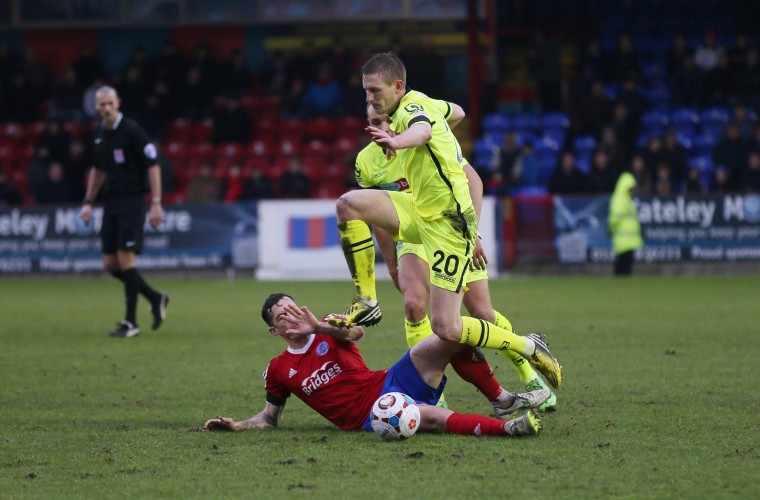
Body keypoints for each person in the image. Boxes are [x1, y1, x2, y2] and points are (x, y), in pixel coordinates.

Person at [327, 53, 562, 389]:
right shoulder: (419, 107)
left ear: (398, 87)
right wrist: (440, 130)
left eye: (376, 91)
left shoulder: (410, 110)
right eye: (366, 92)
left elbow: (421, 130)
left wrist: (398, 140)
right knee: (348, 205)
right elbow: (457, 112)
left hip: (449, 224)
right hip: (416, 209)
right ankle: (366, 299)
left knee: (448, 327)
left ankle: (528, 346)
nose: (370, 99)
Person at [356, 104, 557, 410]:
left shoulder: (428, 135)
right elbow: (377, 217)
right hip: (413, 237)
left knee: (482, 313)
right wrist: (392, 263)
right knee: (413, 306)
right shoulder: (366, 163)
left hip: (452, 229)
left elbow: (472, 181)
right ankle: (432, 393)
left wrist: (472, 234)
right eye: (374, 122)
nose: (383, 126)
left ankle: (529, 373)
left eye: (386, 119)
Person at [203, 293, 545, 437]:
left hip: (389, 379)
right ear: (273, 330)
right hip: (371, 415)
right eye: (282, 317)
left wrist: (319, 326)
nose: (291, 318)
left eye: (293, 310)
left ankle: (500, 399)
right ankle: (508, 429)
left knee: (451, 333)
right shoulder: (278, 369)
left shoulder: (329, 326)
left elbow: (358, 331)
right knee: (430, 417)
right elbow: (269, 418)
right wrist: (238, 426)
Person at [80, 86, 169, 338]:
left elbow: (153, 166)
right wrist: (88, 201)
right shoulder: (99, 134)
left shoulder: (132, 130)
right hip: (111, 201)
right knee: (110, 264)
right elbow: (98, 170)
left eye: (110, 103)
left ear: (118, 103)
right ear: (96, 107)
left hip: (133, 200)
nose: (106, 108)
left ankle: (131, 322)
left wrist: (156, 202)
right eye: (102, 104)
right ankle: (155, 297)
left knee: (125, 258)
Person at [608, 172, 643, 276]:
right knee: (622, 266)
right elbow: (615, 217)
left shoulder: (626, 199)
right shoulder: (620, 198)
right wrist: (611, 228)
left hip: (628, 240)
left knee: (626, 265)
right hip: (623, 239)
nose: (631, 191)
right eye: (630, 188)